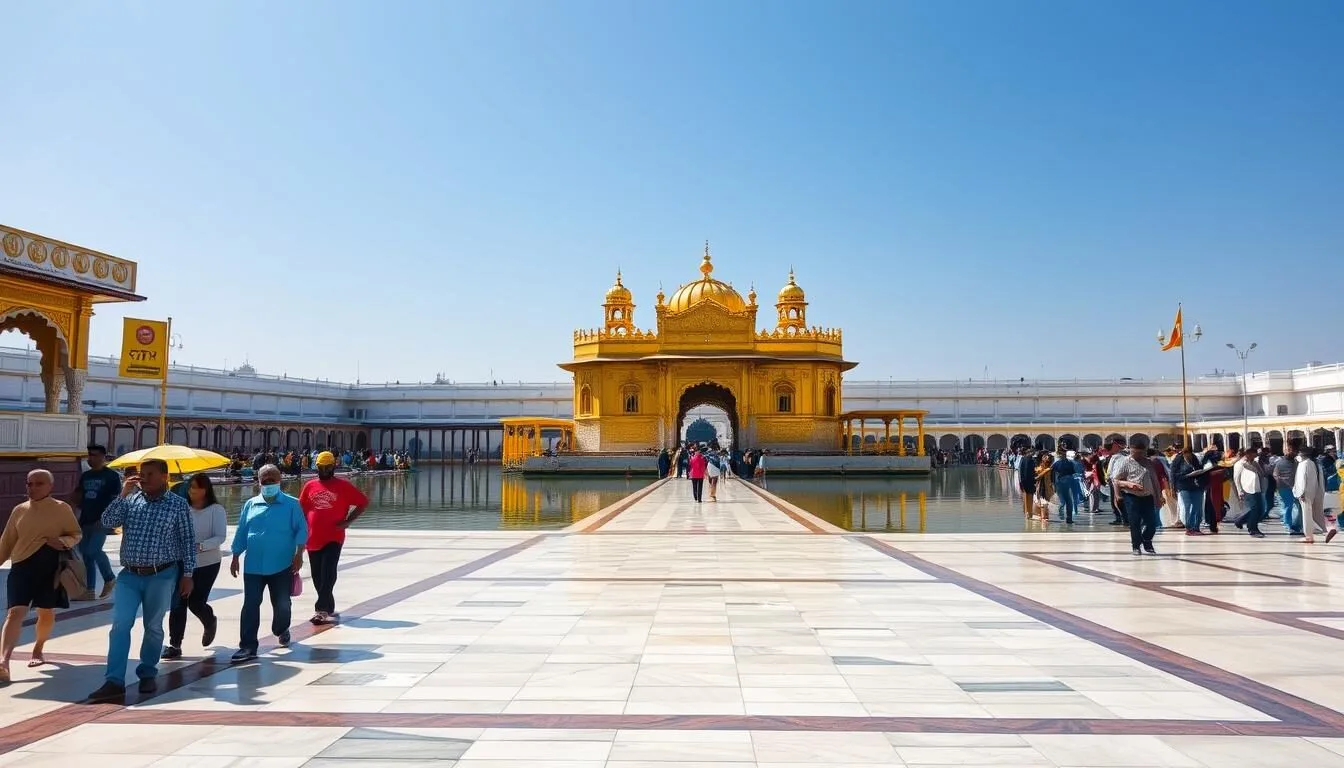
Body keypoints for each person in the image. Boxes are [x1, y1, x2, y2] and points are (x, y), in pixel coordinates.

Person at [87, 459, 196, 701]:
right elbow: (107, 522)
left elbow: (188, 541)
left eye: (149, 474)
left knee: (153, 626)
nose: (143, 478)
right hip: (129, 575)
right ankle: (114, 680)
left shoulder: (177, 505)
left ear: (164, 477)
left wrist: (188, 574)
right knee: (120, 626)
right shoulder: (131, 500)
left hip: (162, 574)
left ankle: (147, 672)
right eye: (141, 473)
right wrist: (123, 494)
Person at [0, 470, 81, 683]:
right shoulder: (20, 510)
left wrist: (63, 542)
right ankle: (3, 662)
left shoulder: (61, 509)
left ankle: (38, 649)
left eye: (38, 484)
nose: (32, 488)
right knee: (14, 612)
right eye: (29, 484)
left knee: (45, 612)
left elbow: (76, 534)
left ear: (50, 486)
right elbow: (7, 542)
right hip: (21, 567)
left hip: (50, 568)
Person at [229, 464, 308, 662]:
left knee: (282, 603)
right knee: (250, 604)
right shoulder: (251, 505)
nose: (269, 483)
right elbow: (242, 531)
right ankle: (247, 646)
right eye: (265, 480)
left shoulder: (292, 504)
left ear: (280, 480)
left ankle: (281, 628)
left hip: (281, 564)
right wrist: (235, 555)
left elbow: (301, 530)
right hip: (254, 565)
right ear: (259, 483)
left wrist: (299, 553)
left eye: (273, 479)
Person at [299, 452, 368, 625]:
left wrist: (348, 521)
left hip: (334, 537)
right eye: (321, 467)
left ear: (333, 466)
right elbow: (301, 510)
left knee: (328, 572)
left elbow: (362, 502)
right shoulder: (310, 486)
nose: (324, 470)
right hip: (312, 538)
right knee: (317, 576)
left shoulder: (343, 486)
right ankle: (329, 606)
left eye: (327, 467)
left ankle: (321, 610)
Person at [163, 474, 227, 659]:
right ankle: (175, 643)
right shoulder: (182, 510)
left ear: (205, 490)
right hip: (182, 562)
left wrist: (201, 546)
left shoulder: (216, 510)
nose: (192, 492)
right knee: (178, 602)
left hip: (207, 562)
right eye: (190, 488)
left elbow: (220, 536)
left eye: (196, 488)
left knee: (196, 603)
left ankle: (209, 621)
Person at [71, 445, 121, 601]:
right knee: (85, 555)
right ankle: (89, 590)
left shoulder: (111, 476)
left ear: (102, 456)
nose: (90, 458)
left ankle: (109, 578)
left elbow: (116, 500)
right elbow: (80, 497)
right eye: (89, 455)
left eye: (94, 455)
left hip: (102, 520)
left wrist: (108, 518)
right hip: (85, 519)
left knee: (93, 550)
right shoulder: (85, 476)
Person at [1108, 437, 1161, 555]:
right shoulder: (1125, 462)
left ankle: (1147, 540)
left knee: (1152, 523)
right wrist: (1126, 487)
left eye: (1141, 453)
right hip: (1132, 497)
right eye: (1135, 452)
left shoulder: (1148, 463)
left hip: (1147, 496)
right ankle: (1136, 546)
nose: (1137, 455)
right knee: (1135, 522)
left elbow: (1155, 481)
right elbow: (1116, 480)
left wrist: (1158, 497)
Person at [1170, 445, 1206, 536]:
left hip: (1196, 486)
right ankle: (1189, 528)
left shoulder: (1194, 458)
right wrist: (1173, 488)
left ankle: (1196, 527)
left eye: (1190, 454)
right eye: (1186, 455)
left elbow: (1199, 468)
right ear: (1183, 454)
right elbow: (1173, 474)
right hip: (1184, 486)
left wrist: (1199, 473)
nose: (1188, 457)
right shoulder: (1178, 460)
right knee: (1187, 507)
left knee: (1197, 507)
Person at [1231, 448, 1267, 538]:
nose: (1255, 457)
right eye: (1254, 455)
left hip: (1257, 488)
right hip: (1247, 489)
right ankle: (1253, 529)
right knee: (1254, 510)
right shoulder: (1240, 464)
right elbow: (1236, 479)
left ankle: (1239, 520)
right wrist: (1239, 491)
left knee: (1261, 509)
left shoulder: (1254, 463)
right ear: (1248, 454)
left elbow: (1261, 474)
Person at [1295, 447, 1328, 544]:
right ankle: (1325, 530)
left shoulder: (1303, 464)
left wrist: (1301, 493)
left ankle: (1308, 536)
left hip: (1306, 493)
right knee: (1317, 512)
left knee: (1307, 514)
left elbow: (1301, 480)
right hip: (1318, 491)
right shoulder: (1316, 464)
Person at [1273, 447, 1302, 535]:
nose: (1293, 453)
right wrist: (1282, 480)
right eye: (1291, 451)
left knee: (1297, 506)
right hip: (1284, 487)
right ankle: (1288, 526)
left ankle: (1296, 525)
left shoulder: (1296, 462)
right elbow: (1275, 474)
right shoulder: (1280, 463)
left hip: (1295, 487)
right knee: (1288, 506)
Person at [1050, 450, 1077, 524]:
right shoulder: (1070, 463)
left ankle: (1061, 515)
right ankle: (1069, 518)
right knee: (1069, 501)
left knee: (1062, 501)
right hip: (1067, 483)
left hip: (1059, 483)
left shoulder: (1056, 464)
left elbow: (1052, 474)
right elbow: (1073, 474)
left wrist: (1052, 484)